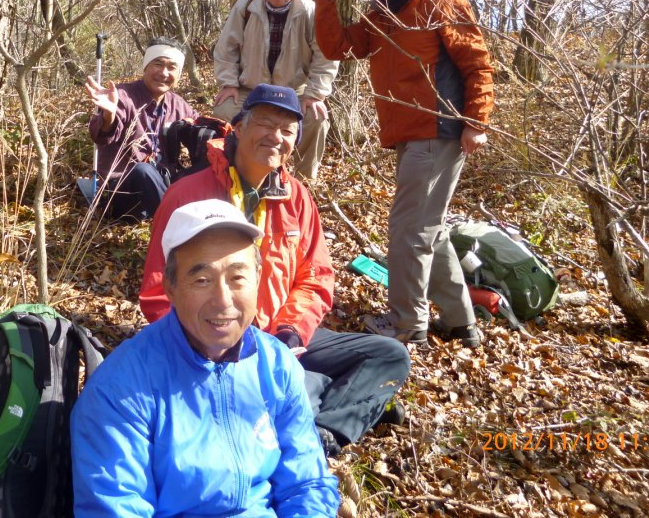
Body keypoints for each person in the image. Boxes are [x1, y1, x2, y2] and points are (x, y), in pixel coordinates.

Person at [140, 84, 411, 455]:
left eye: (287, 131)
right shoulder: (188, 194)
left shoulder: (297, 196)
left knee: (388, 356)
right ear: (238, 127)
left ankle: (322, 433)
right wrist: (210, 345)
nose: (276, 137)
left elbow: (315, 278)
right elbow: (158, 292)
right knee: (279, 386)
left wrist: (291, 334)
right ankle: (309, 397)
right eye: (266, 123)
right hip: (213, 338)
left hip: (280, 331)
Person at [72, 199, 340, 518]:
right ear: (169, 287)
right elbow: (114, 507)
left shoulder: (276, 364)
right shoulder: (121, 390)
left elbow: (307, 484)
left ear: (257, 278)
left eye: (237, 277)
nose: (223, 300)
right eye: (202, 280)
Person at [313, 0, 495, 348]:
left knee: (408, 230)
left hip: (438, 131)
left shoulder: (442, 6)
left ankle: (407, 323)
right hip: (408, 137)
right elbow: (340, 47)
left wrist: (477, 122)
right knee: (431, 230)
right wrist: (324, 2)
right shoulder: (381, 15)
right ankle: (460, 320)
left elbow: (479, 68)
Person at [213, 0, 339, 180]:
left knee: (316, 118)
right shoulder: (246, 7)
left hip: (294, 90)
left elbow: (326, 56)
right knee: (223, 112)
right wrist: (228, 82)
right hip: (249, 87)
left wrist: (315, 93)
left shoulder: (311, 11)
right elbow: (226, 48)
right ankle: (232, 174)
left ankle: (302, 182)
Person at [86, 37, 198, 221]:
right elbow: (102, 135)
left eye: (171, 67)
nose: (163, 73)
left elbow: (199, 127)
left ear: (179, 74)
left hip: (163, 182)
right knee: (142, 171)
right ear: (145, 66)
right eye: (158, 64)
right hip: (124, 190)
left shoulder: (178, 104)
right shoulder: (122, 96)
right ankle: (178, 225)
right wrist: (109, 116)